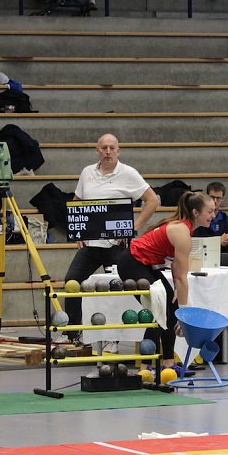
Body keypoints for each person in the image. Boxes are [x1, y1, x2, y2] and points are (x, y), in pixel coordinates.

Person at [62, 133, 159, 347]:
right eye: (103, 148)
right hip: (91, 245)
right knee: (71, 283)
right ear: (97, 150)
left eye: (112, 148)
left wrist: (134, 227)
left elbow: (153, 200)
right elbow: (77, 202)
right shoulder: (87, 172)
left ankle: (129, 336)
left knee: (124, 288)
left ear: (118, 150)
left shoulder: (128, 173)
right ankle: (72, 336)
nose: (107, 151)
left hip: (116, 246)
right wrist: (78, 230)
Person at [117, 191, 215, 373]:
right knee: (157, 309)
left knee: (170, 304)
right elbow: (183, 278)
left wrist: (179, 300)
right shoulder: (182, 232)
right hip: (131, 262)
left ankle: (168, 362)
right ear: (195, 213)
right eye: (210, 211)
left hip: (145, 264)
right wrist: (185, 315)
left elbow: (177, 269)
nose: (213, 216)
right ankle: (145, 367)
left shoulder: (185, 229)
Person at [192, 182, 228, 253]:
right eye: (212, 197)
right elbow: (195, 244)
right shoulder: (198, 218)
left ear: (222, 199)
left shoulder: (227, 220)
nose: (215, 201)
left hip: (221, 258)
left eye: (218, 198)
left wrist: (226, 244)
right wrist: (218, 242)